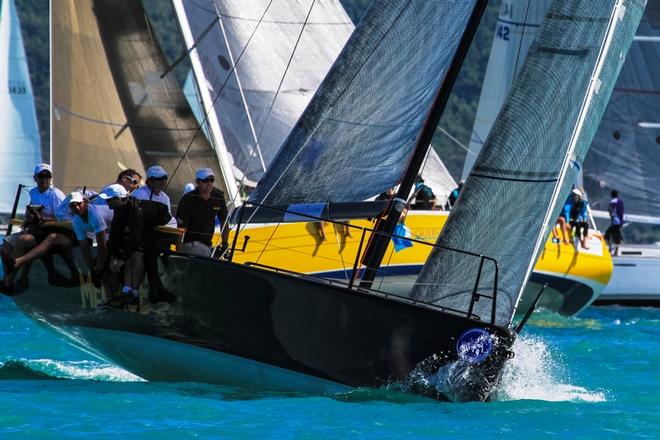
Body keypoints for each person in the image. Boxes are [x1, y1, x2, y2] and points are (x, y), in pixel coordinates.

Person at [1, 164, 76, 291]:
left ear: (51, 178)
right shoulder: (33, 192)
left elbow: (64, 219)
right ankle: (14, 278)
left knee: (24, 241)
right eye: (41, 176)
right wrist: (29, 218)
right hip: (37, 228)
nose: (44, 179)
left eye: (47, 176)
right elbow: (31, 208)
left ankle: (10, 282)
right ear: (35, 178)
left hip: (53, 229)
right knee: (4, 247)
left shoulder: (56, 196)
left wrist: (43, 220)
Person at [102, 184, 176, 305]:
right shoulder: (119, 208)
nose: (106, 202)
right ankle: (126, 291)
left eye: (108, 199)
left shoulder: (137, 211)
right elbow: (115, 233)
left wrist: (121, 259)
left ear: (119, 199)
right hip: (149, 227)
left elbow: (135, 241)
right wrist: (112, 255)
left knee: (137, 252)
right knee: (129, 250)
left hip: (166, 228)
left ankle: (134, 294)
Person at [176, 168, 229, 257]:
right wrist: (179, 254)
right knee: (204, 253)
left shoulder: (218, 196)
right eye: (205, 180)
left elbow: (224, 221)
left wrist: (225, 244)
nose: (209, 183)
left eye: (211, 180)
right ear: (197, 182)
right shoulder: (187, 199)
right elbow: (180, 228)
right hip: (191, 243)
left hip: (208, 244)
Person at [68, 191, 114, 290]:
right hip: (110, 232)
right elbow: (84, 249)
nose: (76, 208)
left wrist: (98, 270)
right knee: (100, 263)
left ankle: (113, 296)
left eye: (79, 204)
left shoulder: (95, 215)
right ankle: (110, 297)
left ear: (85, 202)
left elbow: (102, 248)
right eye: (72, 205)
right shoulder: (76, 221)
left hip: (120, 228)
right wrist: (92, 271)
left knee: (104, 263)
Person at [604, 189, 624, 255]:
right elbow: (622, 212)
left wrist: (611, 214)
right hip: (619, 222)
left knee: (608, 234)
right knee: (616, 237)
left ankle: (610, 249)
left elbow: (610, 210)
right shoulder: (621, 202)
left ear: (611, 195)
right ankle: (615, 251)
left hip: (615, 222)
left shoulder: (612, 202)